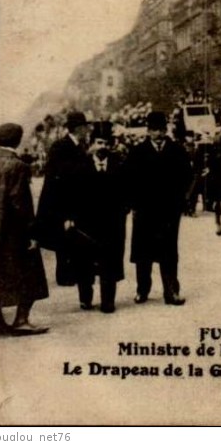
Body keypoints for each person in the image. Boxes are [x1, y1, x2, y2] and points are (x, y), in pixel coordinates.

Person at [124, 111, 193, 306]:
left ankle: (171, 291)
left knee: (169, 250)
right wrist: (133, 204)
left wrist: (182, 200)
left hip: (169, 210)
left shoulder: (177, 150)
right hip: (144, 210)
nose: (159, 134)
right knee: (143, 251)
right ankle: (142, 289)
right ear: (148, 131)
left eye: (162, 130)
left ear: (166, 129)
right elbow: (128, 180)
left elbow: (187, 177)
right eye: (154, 130)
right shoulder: (137, 152)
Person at [0, 123, 50, 336]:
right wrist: (32, 232)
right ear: (18, 140)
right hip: (15, 232)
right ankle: (21, 320)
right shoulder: (17, 166)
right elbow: (21, 204)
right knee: (31, 272)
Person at [73, 121, 128, 313]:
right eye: (99, 142)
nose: (102, 147)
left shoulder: (119, 165)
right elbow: (73, 194)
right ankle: (85, 297)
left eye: (106, 143)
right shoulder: (81, 166)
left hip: (112, 223)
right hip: (86, 223)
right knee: (85, 261)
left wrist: (122, 211)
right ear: (92, 143)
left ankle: (108, 301)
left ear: (111, 144)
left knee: (110, 260)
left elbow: (126, 192)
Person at [36, 111, 91, 288]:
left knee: (71, 238)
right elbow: (61, 178)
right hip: (62, 200)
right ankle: (64, 275)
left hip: (74, 200)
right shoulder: (61, 146)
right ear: (78, 129)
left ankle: (71, 273)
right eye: (85, 127)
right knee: (63, 238)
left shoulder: (77, 145)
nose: (87, 130)